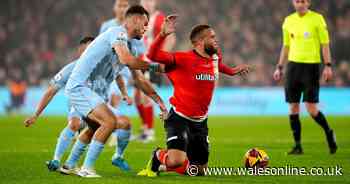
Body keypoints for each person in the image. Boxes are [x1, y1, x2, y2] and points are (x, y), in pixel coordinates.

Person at [138, 15, 251, 177]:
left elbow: (219, 67)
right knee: (177, 160)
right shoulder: (183, 59)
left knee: (199, 171)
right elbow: (153, 55)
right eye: (212, 37)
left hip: (200, 122)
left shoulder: (215, 57)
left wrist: (233, 71)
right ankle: (158, 156)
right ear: (199, 42)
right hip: (179, 119)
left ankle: (163, 167)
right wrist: (162, 34)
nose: (215, 40)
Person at [65, 5, 167, 177]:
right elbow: (127, 60)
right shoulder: (117, 33)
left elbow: (139, 80)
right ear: (135, 20)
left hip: (92, 93)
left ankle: (69, 165)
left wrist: (159, 102)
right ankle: (86, 169)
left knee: (106, 125)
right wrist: (156, 67)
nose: (146, 27)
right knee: (109, 122)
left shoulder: (132, 46)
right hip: (80, 87)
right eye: (144, 23)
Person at [273, 0, 337, 155]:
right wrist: (279, 67)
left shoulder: (317, 19)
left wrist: (328, 65)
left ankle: (329, 132)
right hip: (293, 67)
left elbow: (325, 44)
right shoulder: (288, 21)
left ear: (308, 3)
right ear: (293, 2)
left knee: (311, 108)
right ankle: (298, 146)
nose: (300, 4)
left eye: (303, 1)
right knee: (293, 107)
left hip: (311, 67)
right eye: (297, 1)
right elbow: (286, 46)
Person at [24, 36, 94, 171]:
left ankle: (73, 164)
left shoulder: (102, 67)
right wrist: (35, 115)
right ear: (80, 52)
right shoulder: (71, 68)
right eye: (88, 49)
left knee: (87, 134)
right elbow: (50, 91)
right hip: (79, 104)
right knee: (75, 124)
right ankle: (56, 160)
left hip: (97, 105)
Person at [133, 0, 176, 142]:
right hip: (140, 62)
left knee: (146, 96)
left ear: (155, 3)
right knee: (137, 97)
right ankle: (145, 129)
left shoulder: (159, 18)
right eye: (144, 1)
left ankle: (150, 132)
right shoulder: (138, 19)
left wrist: (161, 58)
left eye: (149, 1)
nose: (147, 4)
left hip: (153, 63)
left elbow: (171, 39)